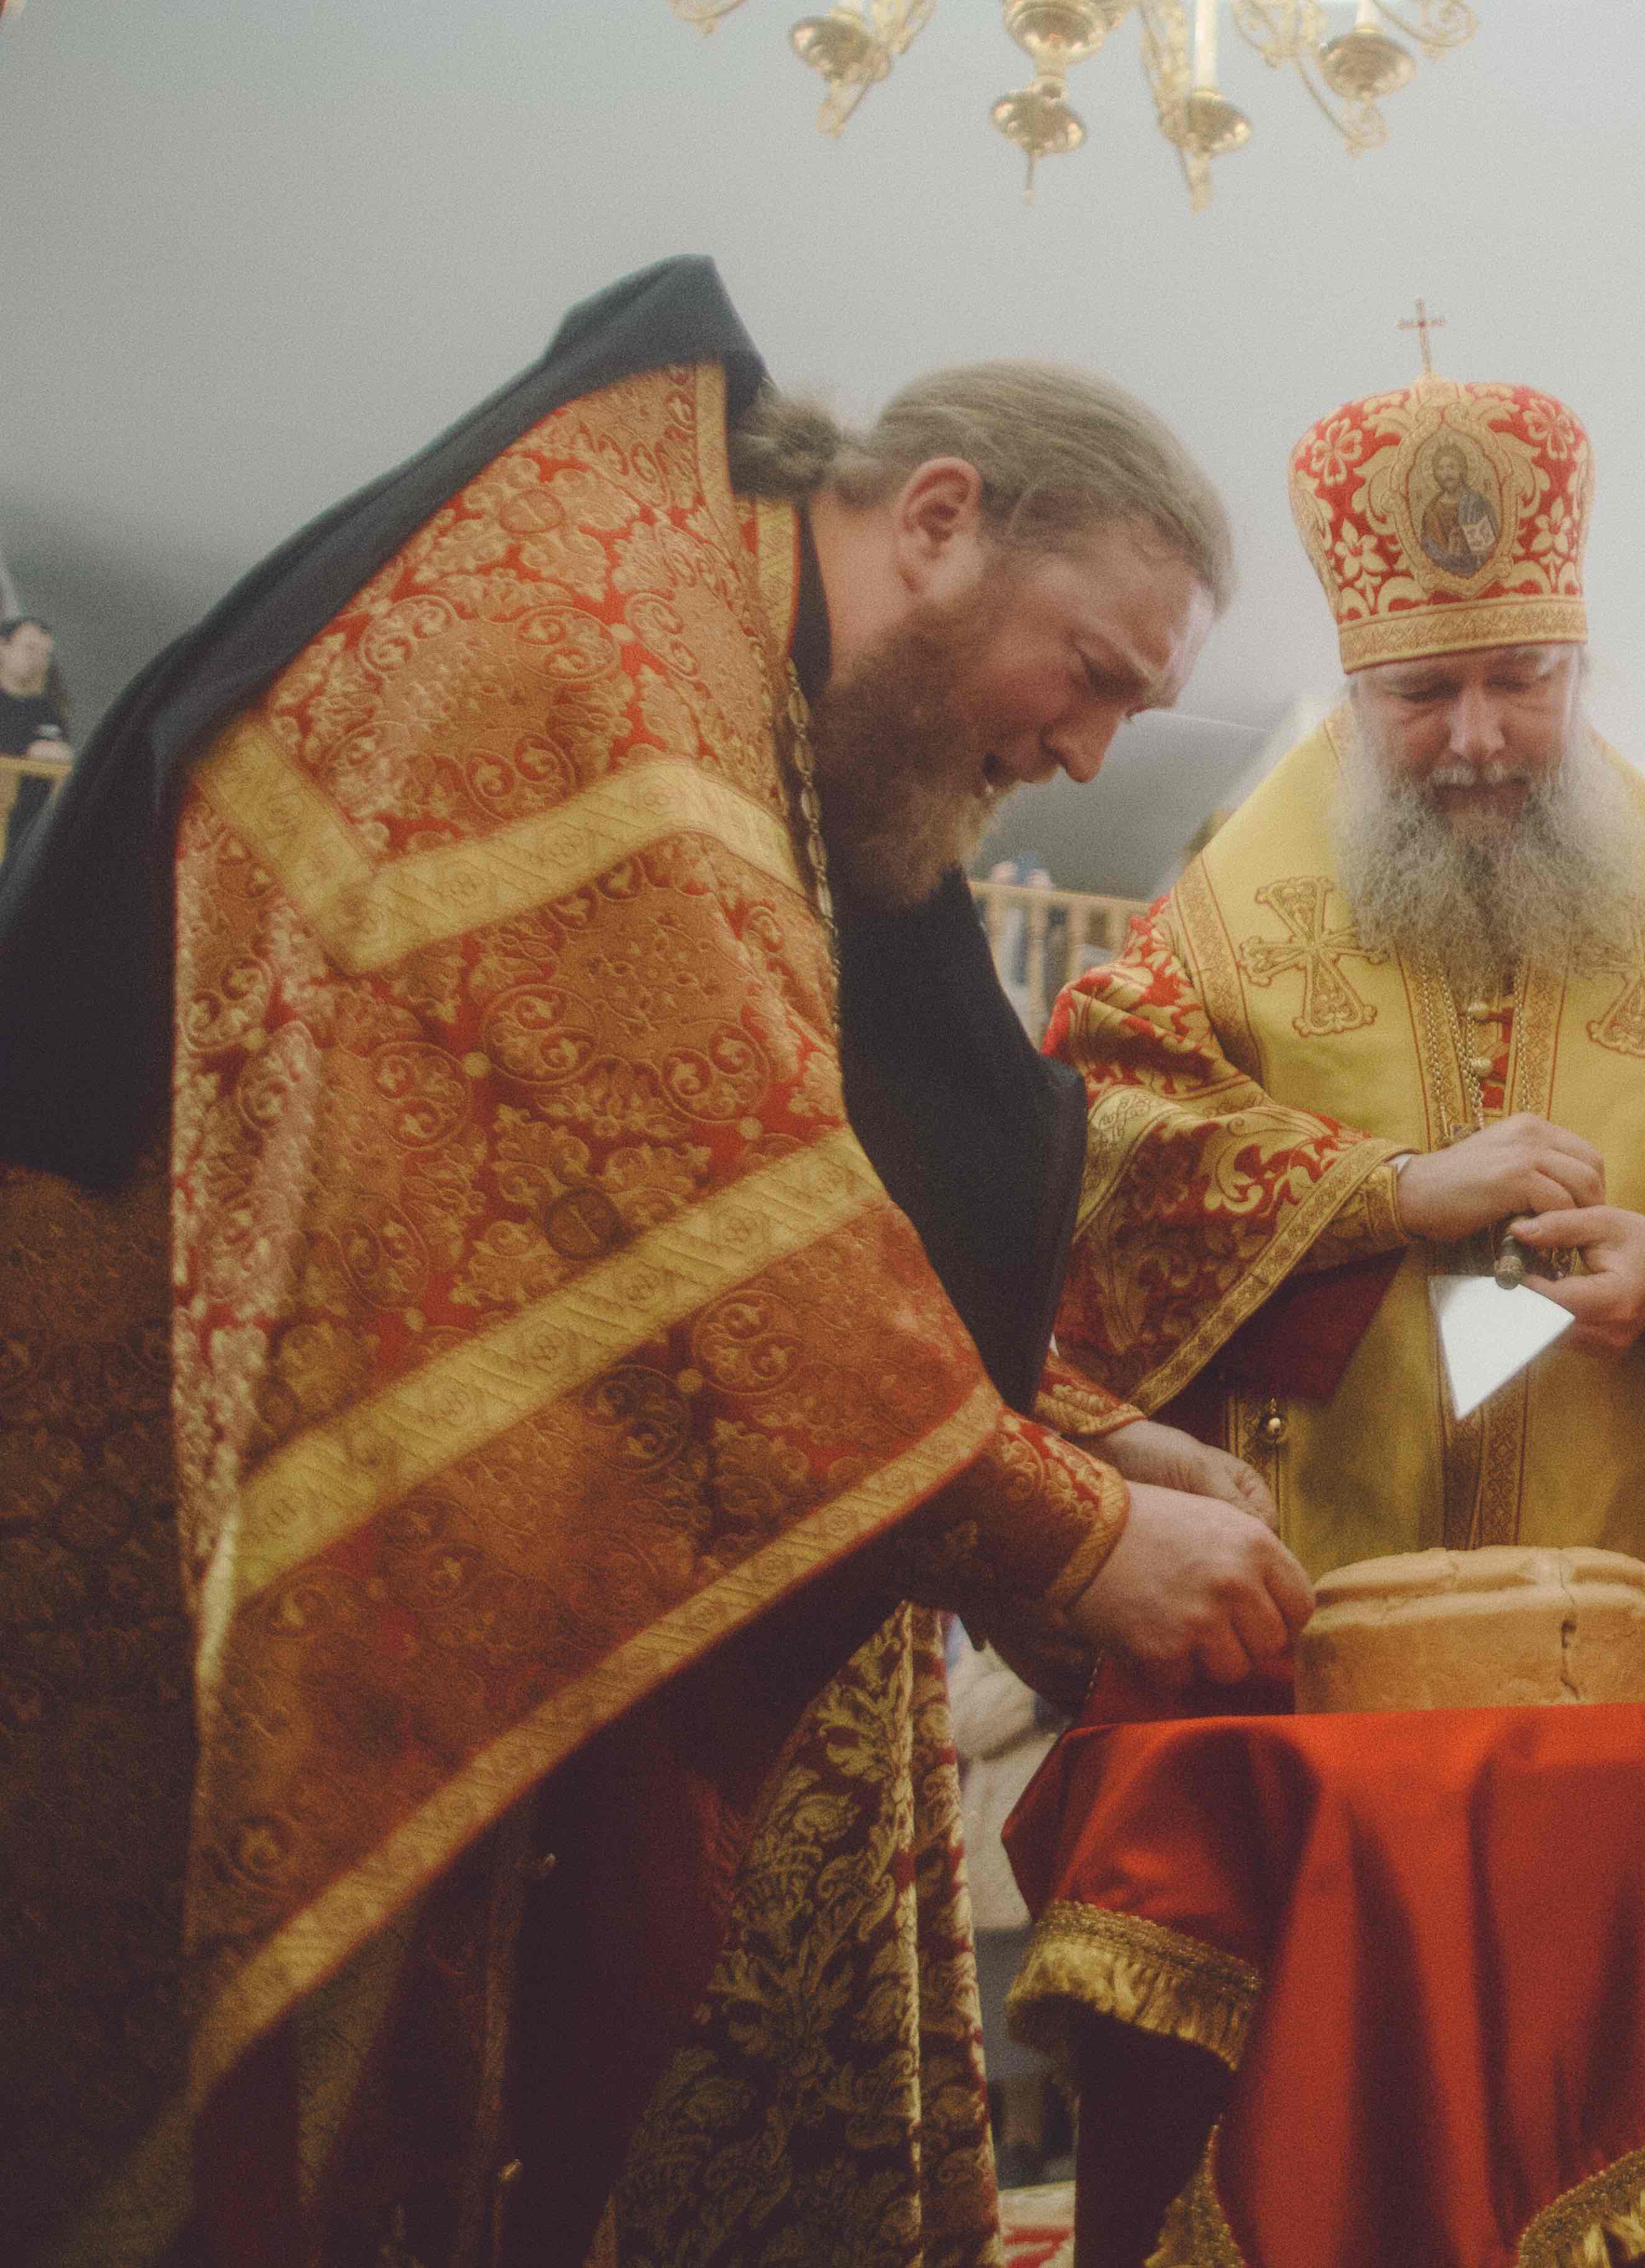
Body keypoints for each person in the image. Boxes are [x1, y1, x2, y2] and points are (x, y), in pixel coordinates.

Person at [0, 256, 1309, 2268]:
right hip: (130, 1470)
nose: (1083, 750)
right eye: (1094, 670)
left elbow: (784, 1166)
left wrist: (1079, 1428)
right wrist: (1068, 1533)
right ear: (938, 516)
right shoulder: (585, 630)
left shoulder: (735, 644)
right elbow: (693, 1193)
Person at [1043, 369, 1645, 1702]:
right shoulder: (1216, 932)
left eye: (1523, 679)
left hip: (1640, 1584)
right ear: (1354, 690)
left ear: (1579, 670)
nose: (1478, 736)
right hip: (1308, 1584)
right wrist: (1387, 1192)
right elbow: (1104, 1140)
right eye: (1421, 692)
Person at [1, 611, 68, 854]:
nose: (38, 659)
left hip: (27, 835)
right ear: (3, 648)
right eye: (30, 648)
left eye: (45, 653)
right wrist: (28, 751)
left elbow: (60, 755)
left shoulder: (48, 713)